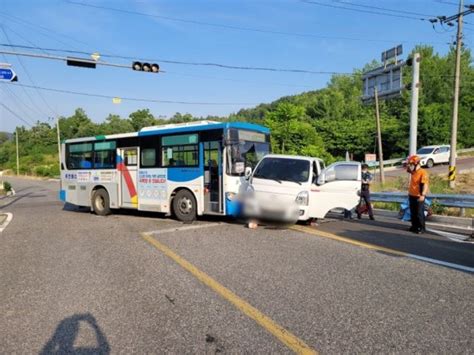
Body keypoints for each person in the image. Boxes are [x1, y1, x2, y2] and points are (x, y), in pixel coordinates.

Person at [406, 155, 429, 234]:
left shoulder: (422, 172)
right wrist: (408, 163)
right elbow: (407, 169)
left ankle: (422, 228)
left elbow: (425, 184)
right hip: (412, 195)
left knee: (419, 213)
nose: (410, 166)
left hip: (419, 196)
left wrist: (423, 195)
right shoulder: (413, 172)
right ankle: (414, 226)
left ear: (416, 164)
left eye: (412, 164)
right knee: (413, 212)